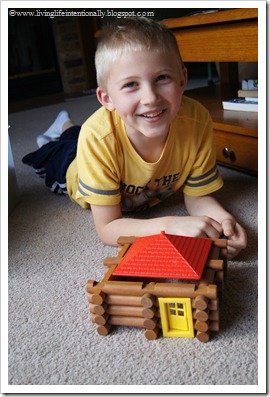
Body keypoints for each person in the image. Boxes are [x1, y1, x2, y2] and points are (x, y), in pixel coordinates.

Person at [22, 17, 247, 259]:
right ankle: (59, 130)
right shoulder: (97, 138)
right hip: (72, 169)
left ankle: (65, 123)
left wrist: (224, 222)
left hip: (106, 138)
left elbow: (198, 196)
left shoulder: (197, 121)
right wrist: (170, 226)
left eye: (162, 78)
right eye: (131, 84)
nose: (150, 97)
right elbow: (108, 228)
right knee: (56, 151)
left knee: (77, 136)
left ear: (182, 79)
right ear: (107, 98)